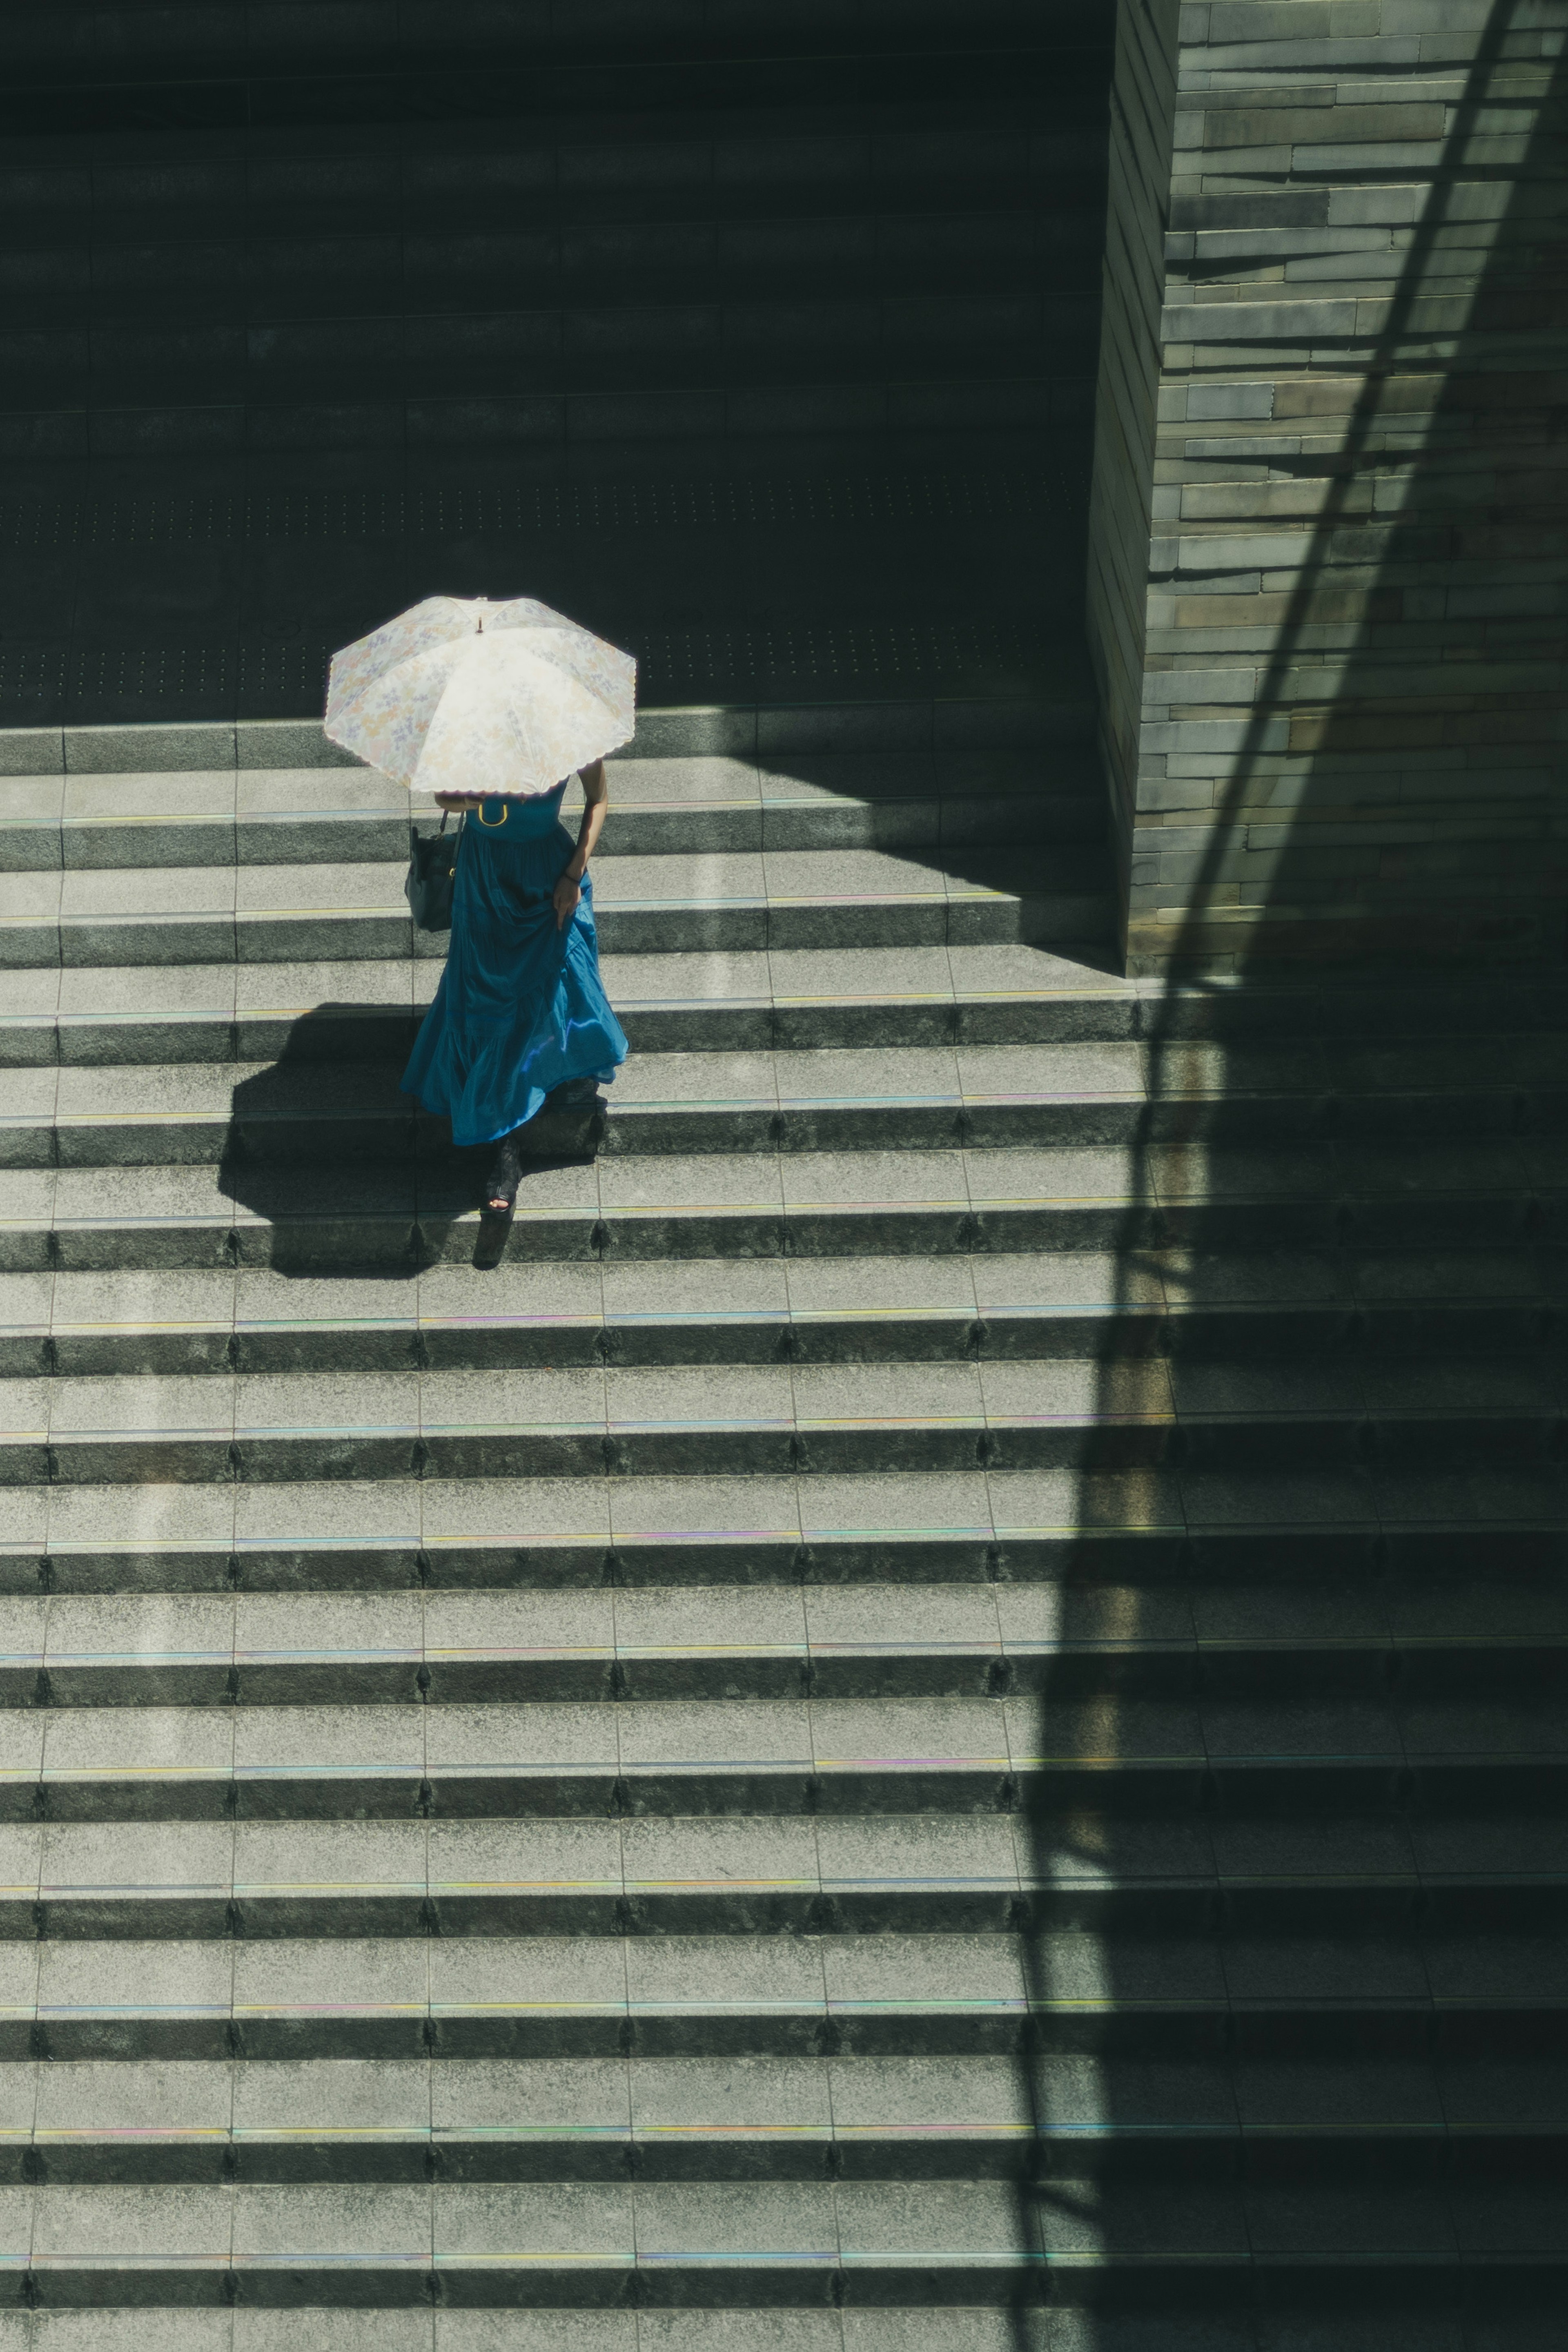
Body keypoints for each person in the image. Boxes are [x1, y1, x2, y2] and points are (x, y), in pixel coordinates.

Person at [400, 758, 627, 1222]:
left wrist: (573, 872)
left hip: (548, 871)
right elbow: (443, 795)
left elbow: (599, 797)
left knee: (560, 974)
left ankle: (553, 1065)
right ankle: (503, 1147)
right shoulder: (480, 731)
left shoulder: (566, 732)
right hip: (485, 875)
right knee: (487, 997)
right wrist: (478, 798)